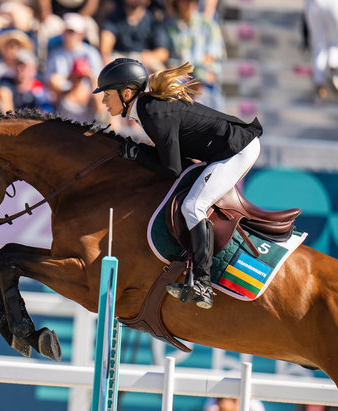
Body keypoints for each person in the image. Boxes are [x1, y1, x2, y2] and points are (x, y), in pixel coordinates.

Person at [93, 58, 262, 308]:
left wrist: (138, 154)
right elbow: (177, 162)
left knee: (193, 206)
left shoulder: (151, 112)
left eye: (107, 94)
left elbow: (173, 169)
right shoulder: (147, 109)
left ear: (126, 93)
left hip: (237, 150)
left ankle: (203, 283)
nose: (104, 100)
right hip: (225, 150)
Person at [304, 0, 338, 101]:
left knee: (319, 45)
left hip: (313, 4)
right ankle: (333, 64)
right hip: (332, 3)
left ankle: (319, 82)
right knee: (334, 41)